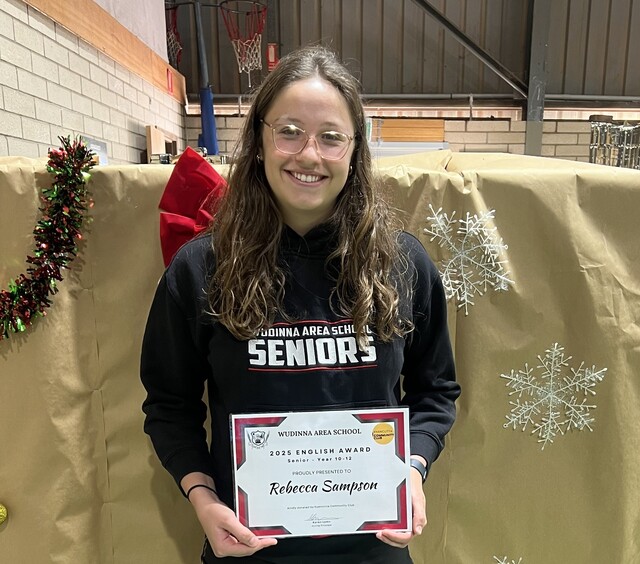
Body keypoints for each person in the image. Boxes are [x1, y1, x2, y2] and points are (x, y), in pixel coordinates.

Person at [141, 45, 460, 564]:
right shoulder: (200, 268)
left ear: (354, 151)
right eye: (289, 131)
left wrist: (413, 469)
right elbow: (169, 406)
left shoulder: (403, 263)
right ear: (259, 141)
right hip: (248, 550)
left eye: (331, 137)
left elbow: (436, 391)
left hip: (374, 549)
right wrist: (203, 499)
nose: (309, 155)